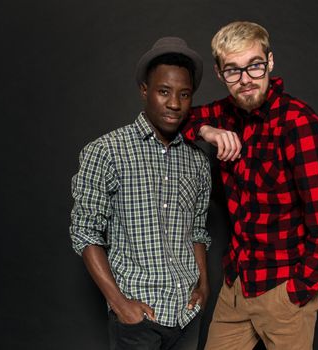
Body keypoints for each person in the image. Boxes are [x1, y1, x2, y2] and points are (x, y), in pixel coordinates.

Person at [183, 21, 318, 350]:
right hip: (236, 285)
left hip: (283, 289)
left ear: (270, 62)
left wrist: (297, 293)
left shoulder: (300, 126)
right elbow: (179, 117)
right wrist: (208, 132)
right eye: (233, 70)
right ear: (219, 73)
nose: (245, 79)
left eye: (254, 66)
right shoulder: (225, 114)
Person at [70, 37, 212, 350]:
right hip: (138, 317)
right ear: (144, 91)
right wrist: (120, 304)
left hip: (188, 315)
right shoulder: (105, 151)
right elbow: (85, 234)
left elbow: (198, 232)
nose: (174, 103)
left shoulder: (198, 160)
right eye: (164, 91)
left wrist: (204, 287)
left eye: (184, 94)